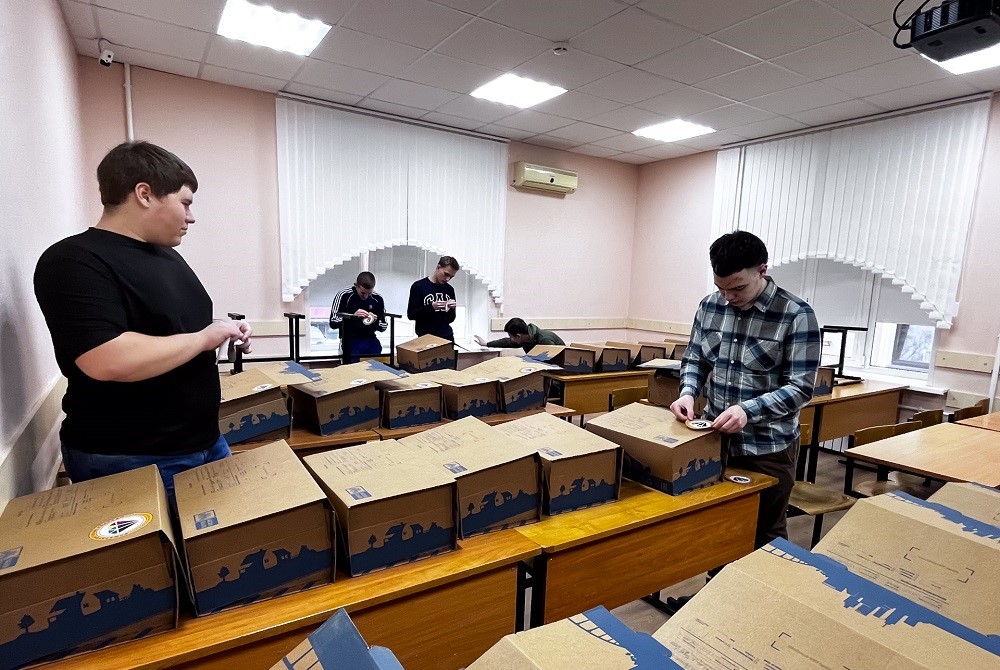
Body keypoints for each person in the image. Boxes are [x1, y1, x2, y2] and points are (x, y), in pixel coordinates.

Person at [33, 141, 251, 503]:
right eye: (185, 202)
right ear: (145, 194)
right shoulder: (73, 261)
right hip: (131, 456)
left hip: (205, 442)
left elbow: (169, 326)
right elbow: (107, 358)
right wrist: (204, 338)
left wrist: (223, 329)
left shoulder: (166, 256)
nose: (191, 217)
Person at [667, 230, 820, 607]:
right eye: (721, 287)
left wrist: (748, 411)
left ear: (762, 270)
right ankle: (715, 605)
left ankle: (761, 611)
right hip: (715, 441)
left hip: (768, 447)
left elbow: (801, 388)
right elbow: (695, 359)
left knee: (765, 533)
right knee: (720, 527)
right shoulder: (710, 306)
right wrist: (687, 392)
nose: (728, 297)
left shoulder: (796, 315)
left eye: (737, 288)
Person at [329, 271, 387, 363]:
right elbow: (333, 322)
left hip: (370, 339)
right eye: (363, 293)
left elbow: (383, 326)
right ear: (356, 286)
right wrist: (353, 316)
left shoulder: (377, 298)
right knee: (353, 363)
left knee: (376, 359)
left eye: (369, 293)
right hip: (350, 339)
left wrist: (374, 320)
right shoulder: (344, 295)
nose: (366, 296)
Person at [407, 255, 459, 341]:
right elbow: (411, 315)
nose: (447, 279)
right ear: (438, 267)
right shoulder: (418, 286)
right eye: (446, 274)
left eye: (451, 277)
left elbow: (451, 319)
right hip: (425, 338)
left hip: (447, 338)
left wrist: (451, 308)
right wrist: (432, 307)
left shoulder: (450, 289)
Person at [474, 317, 564, 352]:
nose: (511, 339)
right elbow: (506, 342)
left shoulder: (544, 340)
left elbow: (549, 362)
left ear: (518, 336)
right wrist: (486, 344)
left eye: (511, 337)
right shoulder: (525, 339)